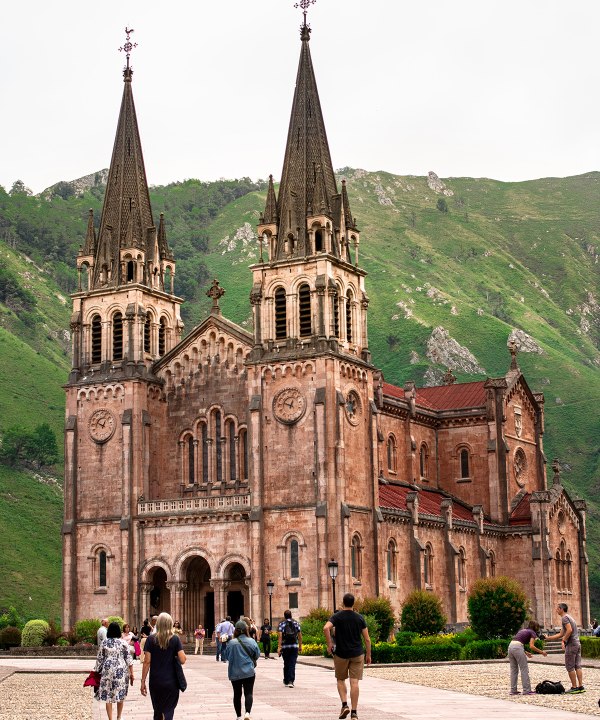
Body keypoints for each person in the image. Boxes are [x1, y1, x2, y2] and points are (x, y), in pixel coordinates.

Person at [324, 593, 372, 720]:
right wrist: (368, 654)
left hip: (341, 654)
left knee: (340, 680)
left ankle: (345, 705)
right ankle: (354, 713)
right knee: (354, 682)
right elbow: (367, 639)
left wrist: (329, 645)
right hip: (357, 653)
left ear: (343, 603)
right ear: (353, 603)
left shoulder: (337, 616)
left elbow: (326, 628)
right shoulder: (359, 618)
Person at [141, 612, 187, 720]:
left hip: (155, 681)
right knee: (169, 710)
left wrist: (143, 681)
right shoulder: (175, 639)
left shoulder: (150, 639)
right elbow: (183, 659)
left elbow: (147, 661)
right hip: (171, 681)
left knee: (158, 709)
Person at [95, 621, 134, 720]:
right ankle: (119, 717)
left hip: (107, 670)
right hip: (120, 670)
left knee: (108, 695)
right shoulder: (123, 642)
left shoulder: (104, 642)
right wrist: (132, 673)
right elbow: (129, 659)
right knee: (120, 693)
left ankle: (110, 719)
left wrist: (96, 671)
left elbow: (100, 659)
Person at [546, 603, 584, 693]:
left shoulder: (564, 618)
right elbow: (561, 633)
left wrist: (563, 641)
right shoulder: (569, 617)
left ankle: (574, 687)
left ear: (561, 609)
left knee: (570, 666)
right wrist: (548, 638)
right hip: (577, 643)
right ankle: (580, 686)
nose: (556, 610)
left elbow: (569, 630)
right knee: (577, 665)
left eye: (557, 608)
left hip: (571, 644)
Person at [227, 619, 260, 720]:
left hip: (234, 672)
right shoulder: (251, 641)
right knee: (248, 693)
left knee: (237, 694)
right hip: (248, 672)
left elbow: (227, 656)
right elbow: (257, 655)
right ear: (246, 630)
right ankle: (247, 713)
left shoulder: (231, 643)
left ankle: (238, 716)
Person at [507, 620, 548, 695]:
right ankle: (527, 690)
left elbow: (517, 643)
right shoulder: (532, 632)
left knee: (513, 670)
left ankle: (513, 690)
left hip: (510, 647)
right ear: (536, 627)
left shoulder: (523, 630)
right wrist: (542, 652)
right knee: (524, 669)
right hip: (518, 647)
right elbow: (531, 646)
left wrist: (525, 652)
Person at [277, 609, 302, 687]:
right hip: (294, 646)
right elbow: (300, 636)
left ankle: (286, 680)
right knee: (292, 663)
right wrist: (300, 646)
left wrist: (279, 647)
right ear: (291, 615)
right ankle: (291, 681)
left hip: (285, 647)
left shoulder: (282, 624)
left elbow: (280, 636)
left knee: (286, 663)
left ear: (284, 616)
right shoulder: (296, 623)